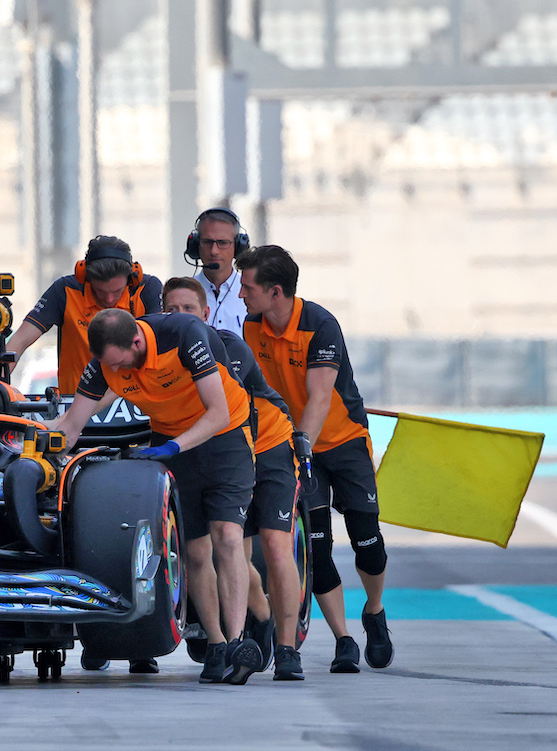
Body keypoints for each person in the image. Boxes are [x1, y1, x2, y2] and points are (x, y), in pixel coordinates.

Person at [51, 308, 263, 685]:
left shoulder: (183, 335)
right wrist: (37, 445)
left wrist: (173, 449)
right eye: (111, 367)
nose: (121, 373)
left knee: (227, 537)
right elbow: (70, 425)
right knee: (195, 552)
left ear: (136, 341)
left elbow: (217, 413)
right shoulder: (106, 361)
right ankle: (215, 644)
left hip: (223, 437)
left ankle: (236, 642)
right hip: (170, 440)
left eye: (123, 363)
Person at [237, 244, 393, 673]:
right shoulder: (250, 326)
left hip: (341, 442)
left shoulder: (321, 325)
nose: (241, 295)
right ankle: (344, 640)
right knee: (318, 547)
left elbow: (321, 397)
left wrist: (302, 440)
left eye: (248, 287)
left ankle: (374, 611)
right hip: (295, 447)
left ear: (275, 292)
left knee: (368, 542)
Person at [162, 277, 304, 681]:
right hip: (214, 450)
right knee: (219, 547)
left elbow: (226, 413)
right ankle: (245, 626)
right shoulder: (157, 354)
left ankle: (288, 648)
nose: (179, 318)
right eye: (170, 310)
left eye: (188, 310)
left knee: (274, 545)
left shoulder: (228, 347)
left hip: (266, 444)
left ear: (205, 314)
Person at [6, 236, 163, 395]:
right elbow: (20, 340)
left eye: (117, 292)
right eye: (100, 291)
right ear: (84, 277)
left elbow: (158, 348)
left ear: (132, 278)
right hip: (74, 403)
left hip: (136, 403)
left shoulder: (147, 290)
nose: (109, 299)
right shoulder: (64, 291)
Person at [184, 207, 251, 336]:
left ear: (238, 247)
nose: (214, 251)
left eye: (223, 242)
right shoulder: (183, 293)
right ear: (196, 245)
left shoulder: (252, 293)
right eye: (207, 242)